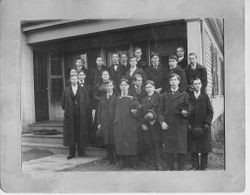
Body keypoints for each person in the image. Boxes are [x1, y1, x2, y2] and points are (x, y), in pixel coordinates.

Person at [158, 73, 191, 170]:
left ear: (179, 81)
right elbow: (160, 110)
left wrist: (186, 112)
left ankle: (181, 169)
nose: (173, 82)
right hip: (168, 125)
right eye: (171, 80)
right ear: (169, 82)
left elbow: (188, 108)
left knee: (181, 148)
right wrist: (162, 122)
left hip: (180, 125)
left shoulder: (184, 94)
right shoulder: (164, 95)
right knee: (169, 149)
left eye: (175, 80)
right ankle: (170, 169)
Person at [113, 78, 142, 169]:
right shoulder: (116, 98)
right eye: (122, 85)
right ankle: (122, 162)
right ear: (119, 87)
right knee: (120, 143)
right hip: (119, 124)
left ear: (128, 86)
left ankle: (132, 162)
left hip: (130, 124)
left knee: (131, 142)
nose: (124, 87)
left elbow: (140, 108)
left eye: (125, 85)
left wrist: (136, 111)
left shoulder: (132, 98)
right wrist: (115, 121)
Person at [188, 78, 214, 170]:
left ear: (201, 85)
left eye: (199, 83)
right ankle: (195, 166)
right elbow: (187, 111)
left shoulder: (205, 97)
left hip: (204, 126)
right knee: (193, 147)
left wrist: (207, 123)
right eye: (195, 84)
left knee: (204, 147)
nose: (197, 85)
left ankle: (204, 166)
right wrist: (188, 124)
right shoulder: (189, 97)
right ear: (192, 86)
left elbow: (210, 112)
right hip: (193, 126)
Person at [61, 75, 89, 159]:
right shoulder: (66, 90)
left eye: (75, 79)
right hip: (70, 116)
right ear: (70, 80)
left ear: (77, 80)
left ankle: (81, 152)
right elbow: (62, 103)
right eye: (72, 79)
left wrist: (83, 110)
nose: (74, 80)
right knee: (71, 134)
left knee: (80, 133)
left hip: (80, 115)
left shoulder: (83, 89)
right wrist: (68, 110)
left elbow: (87, 101)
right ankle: (71, 153)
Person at [139, 80, 163, 170]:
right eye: (147, 87)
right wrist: (142, 124)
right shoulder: (143, 99)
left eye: (150, 87)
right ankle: (151, 161)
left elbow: (161, 110)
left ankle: (158, 163)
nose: (148, 89)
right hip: (146, 125)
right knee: (149, 143)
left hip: (156, 124)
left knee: (157, 143)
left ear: (154, 87)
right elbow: (141, 113)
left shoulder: (159, 97)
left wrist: (155, 120)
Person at [96, 80, 117, 164]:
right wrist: (99, 122)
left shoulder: (116, 97)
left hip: (113, 122)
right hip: (104, 122)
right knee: (107, 141)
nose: (108, 87)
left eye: (110, 85)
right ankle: (110, 159)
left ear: (113, 86)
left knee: (113, 140)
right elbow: (99, 110)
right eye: (107, 86)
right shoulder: (102, 97)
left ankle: (116, 159)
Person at [77, 70, 95, 146]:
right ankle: (80, 142)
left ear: (85, 76)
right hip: (78, 109)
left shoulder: (89, 85)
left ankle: (89, 142)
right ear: (78, 76)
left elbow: (91, 97)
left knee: (88, 124)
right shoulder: (75, 85)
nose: (81, 76)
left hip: (87, 108)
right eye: (79, 75)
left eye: (82, 75)